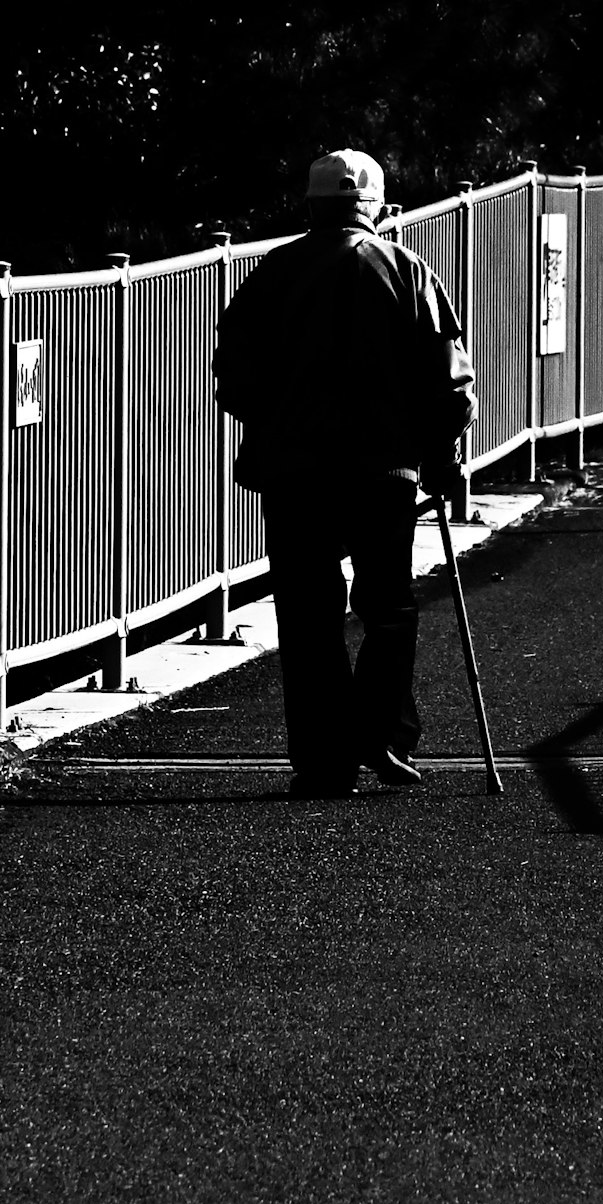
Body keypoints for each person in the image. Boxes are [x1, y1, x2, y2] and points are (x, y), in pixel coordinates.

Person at [214, 149, 475, 797]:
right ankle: (382, 730)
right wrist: (441, 456)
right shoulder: (407, 270)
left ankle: (324, 759)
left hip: (295, 470)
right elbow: (449, 378)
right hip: (382, 470)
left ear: (311, 206)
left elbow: (235, 374)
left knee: (307, 612)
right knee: (388, 605)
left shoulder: (274, 271)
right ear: (379, 209)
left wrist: (272, 422)